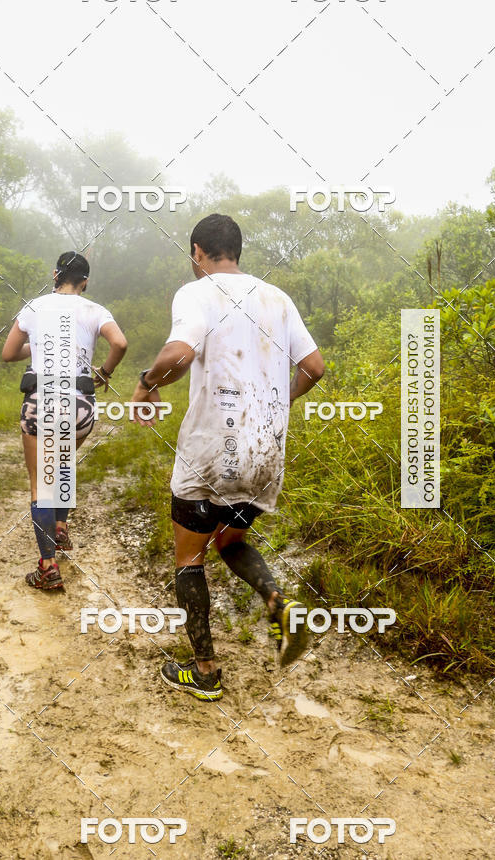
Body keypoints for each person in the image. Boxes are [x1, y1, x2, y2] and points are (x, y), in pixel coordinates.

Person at [130, 214, 324, 701]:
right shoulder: (278, 298)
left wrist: (147, 383)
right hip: (263, 454)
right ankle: (280, 605)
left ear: (198, 251)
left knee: (189, 558)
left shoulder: (196, 293)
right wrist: (277, 403)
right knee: (230, 541)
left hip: (211, 452)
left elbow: (177, 353)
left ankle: (205, 671)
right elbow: (314, 367)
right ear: (237, 250)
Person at [2, 252, 127, 590]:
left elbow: (8, 353)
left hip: (41, 403)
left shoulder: (34, 307)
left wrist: (38, 344)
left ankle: (47, 568)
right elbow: (120, 342)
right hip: (81, 406)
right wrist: (105, 371)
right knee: (63, 465)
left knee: (40, 483)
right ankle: (59, 529)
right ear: (85, 282)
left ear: (54, 274)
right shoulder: (95, 310)